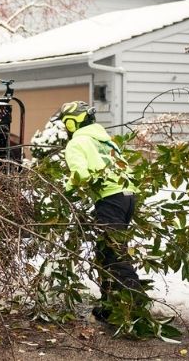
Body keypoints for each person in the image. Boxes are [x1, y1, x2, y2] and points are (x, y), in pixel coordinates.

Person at [56, 101, 142, 321]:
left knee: (115, 254)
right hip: (128, 197)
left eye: (66, 123)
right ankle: (109, 307)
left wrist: (65, 190)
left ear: (72, 122)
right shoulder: (104, 140)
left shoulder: (77, 143)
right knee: (106, 253)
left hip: (110, 199)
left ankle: (136, 307)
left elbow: (81, 176)